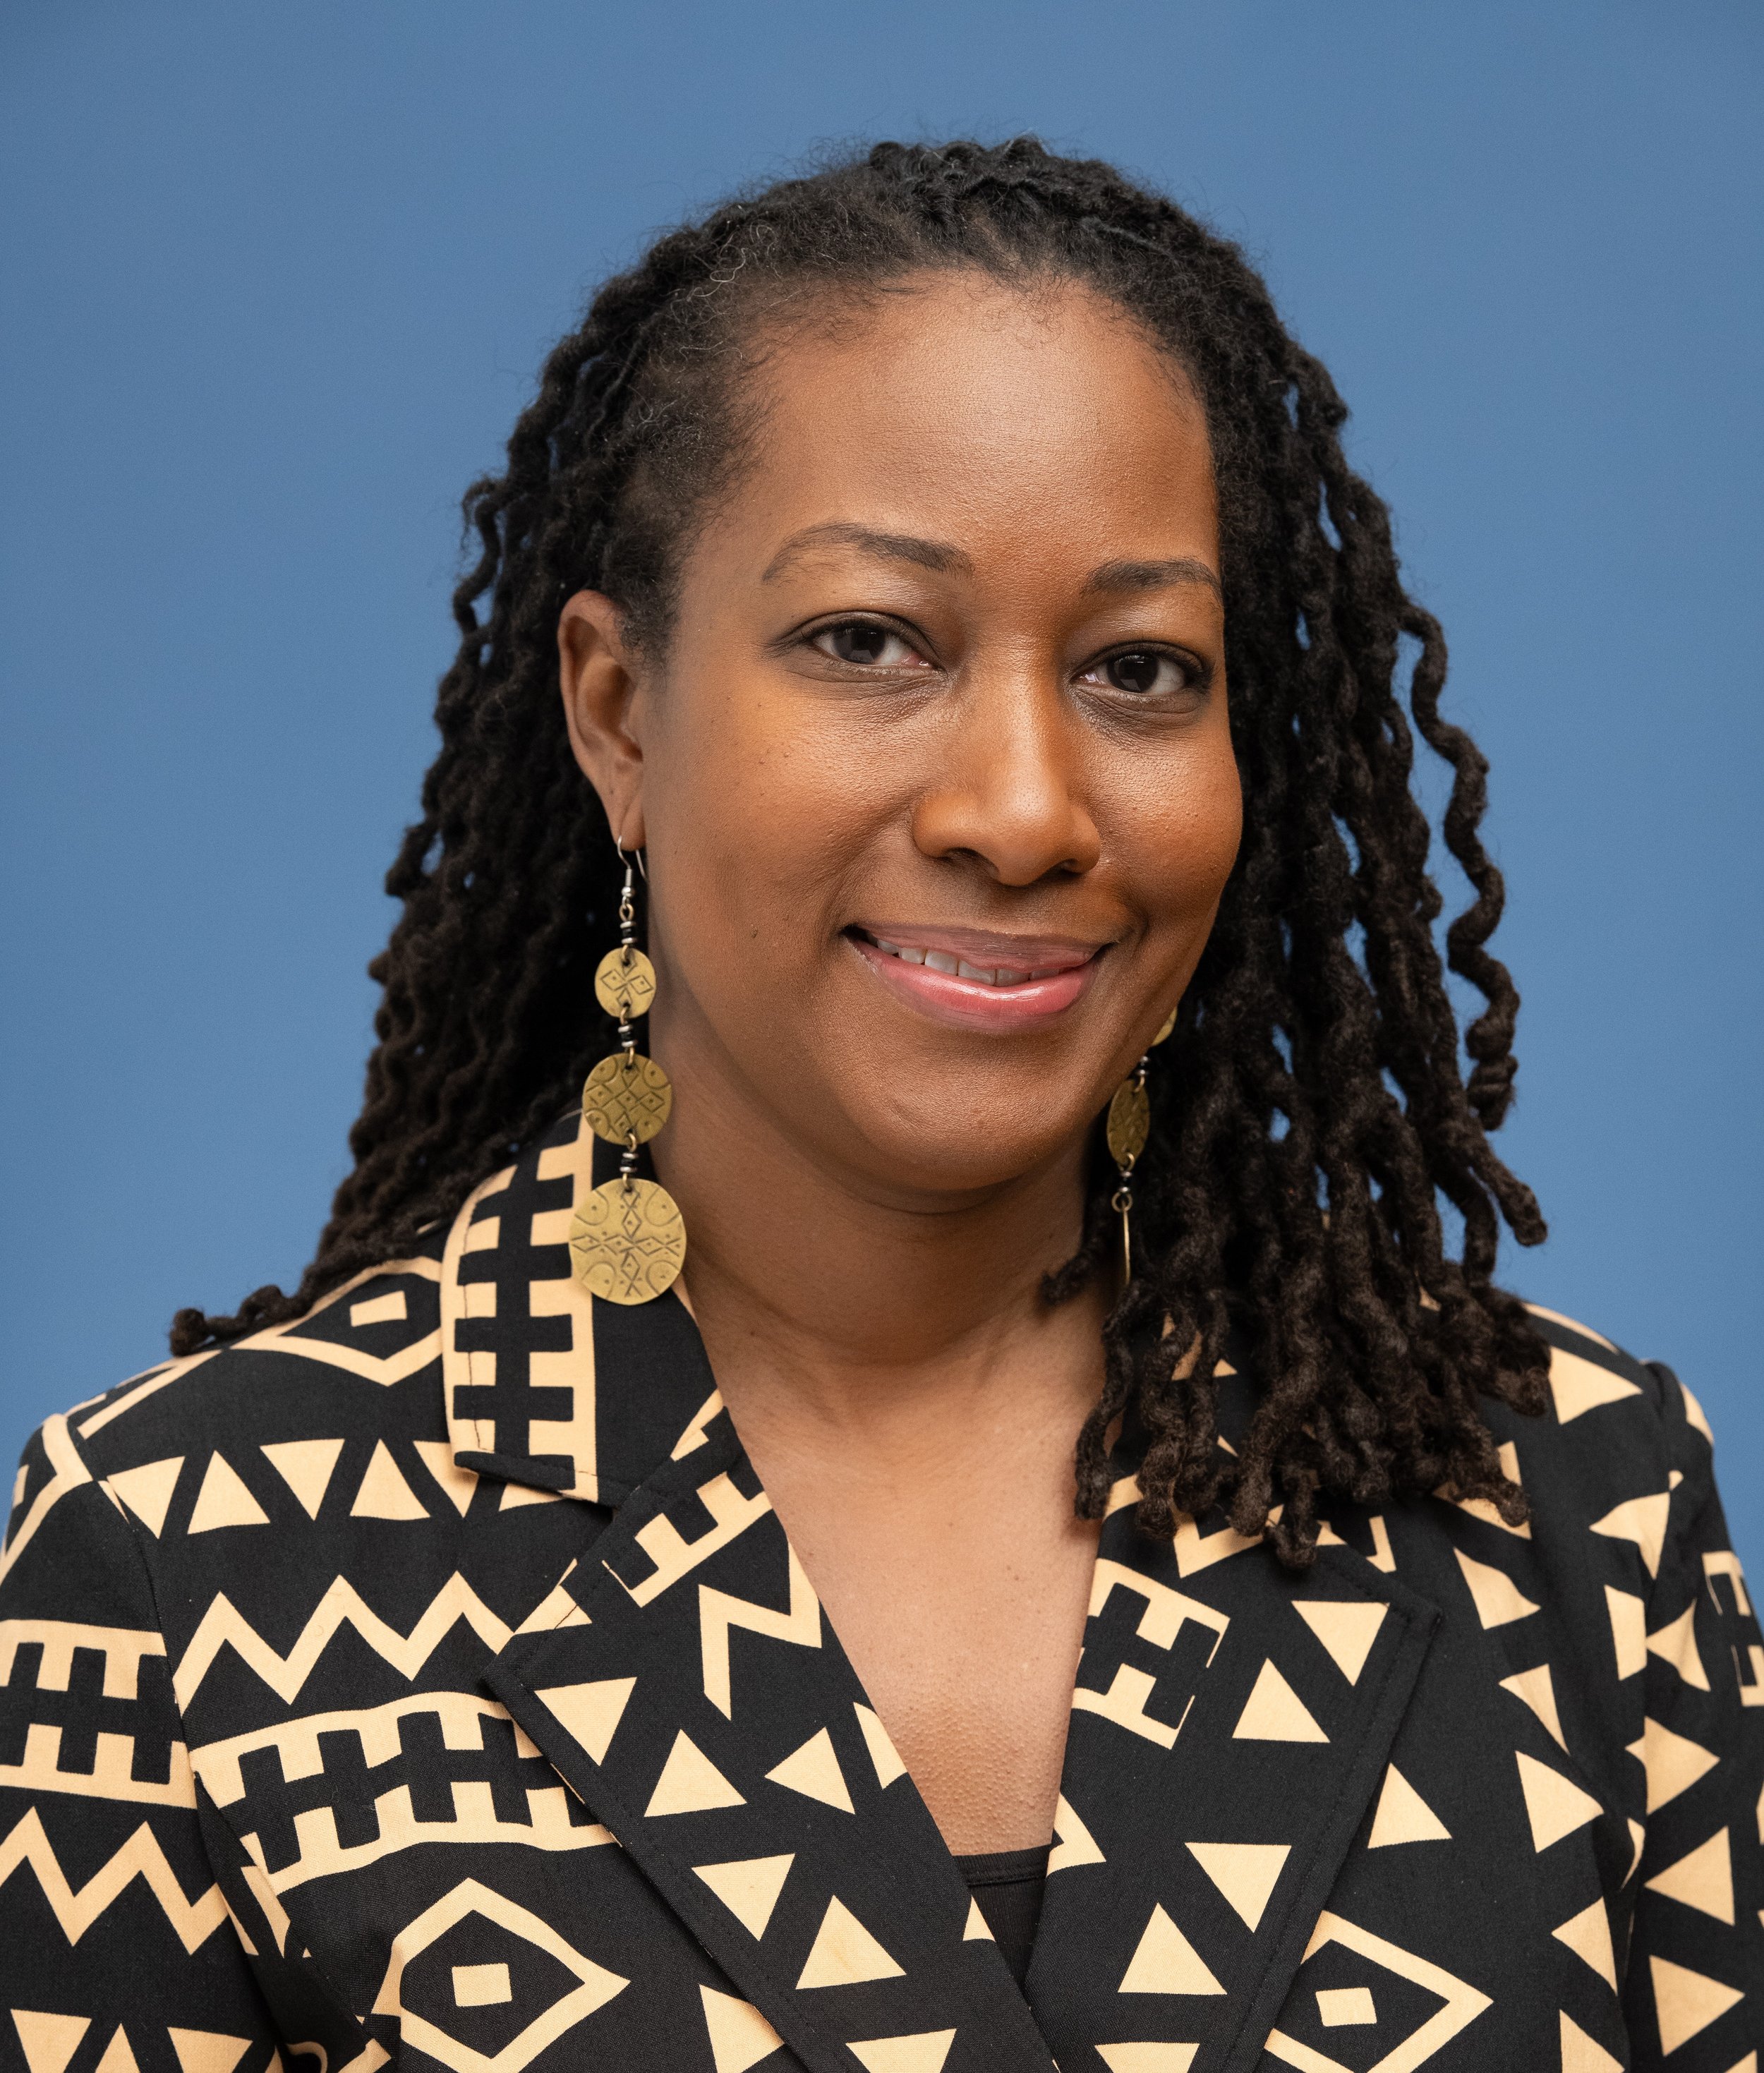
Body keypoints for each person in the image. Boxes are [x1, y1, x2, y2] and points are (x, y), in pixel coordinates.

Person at [1, 138, 1756, 2073]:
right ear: (616, 709)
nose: (1019, 804)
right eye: (868, 640)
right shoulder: (183, 1565)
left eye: (1140, 668)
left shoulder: (1563, 1503)